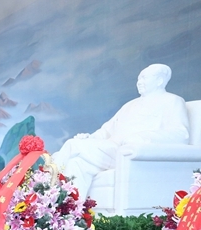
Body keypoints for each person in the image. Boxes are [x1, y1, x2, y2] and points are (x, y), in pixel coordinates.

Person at [53, 64, 190, 197]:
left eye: (144, 78)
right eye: (138, 79)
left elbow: (181, 134)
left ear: (159, 80)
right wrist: (90, 138)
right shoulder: (130, 105)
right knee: (76, 164)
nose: (139, 82)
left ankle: (46, 184)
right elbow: (106, 130)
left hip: (128, 152)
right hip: (109, 150)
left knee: (72, 145)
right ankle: (68, 209)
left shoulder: (172, 101)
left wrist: (143, 137)